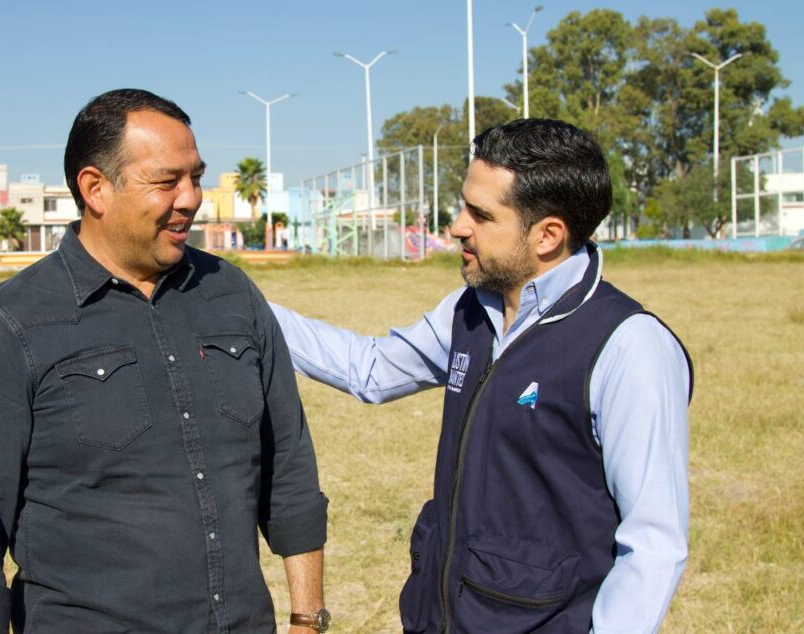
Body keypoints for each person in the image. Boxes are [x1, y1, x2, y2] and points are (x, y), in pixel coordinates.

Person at [0, 89, 330, 633]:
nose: (190, 198)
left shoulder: (232, 295)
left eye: (196, 177)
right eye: (166, 181)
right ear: (96, 189)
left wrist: (308, 618)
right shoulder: (12, 323)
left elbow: (290, 473)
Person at [271, 119, 692, 633]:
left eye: (481, 214)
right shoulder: (470, 309)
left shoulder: (629, 346)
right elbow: (372, 370)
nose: (457, 226)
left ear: (548, 235)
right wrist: (248, 309)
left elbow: (652, 545)